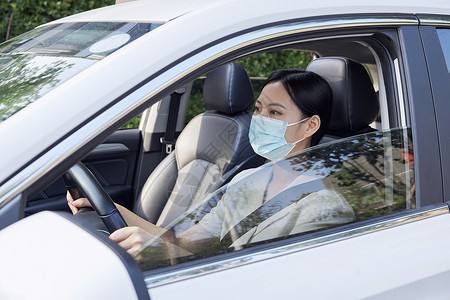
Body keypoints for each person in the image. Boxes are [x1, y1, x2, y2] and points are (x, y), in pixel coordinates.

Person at [68, 69, 355, 255]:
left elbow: (271, 281)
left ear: (309, 126)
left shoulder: (325, 204)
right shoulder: (247, 180)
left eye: (275, 113)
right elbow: (184, 240)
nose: (259, 119)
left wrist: (162, 255)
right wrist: (111, 209)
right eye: (258, 108)